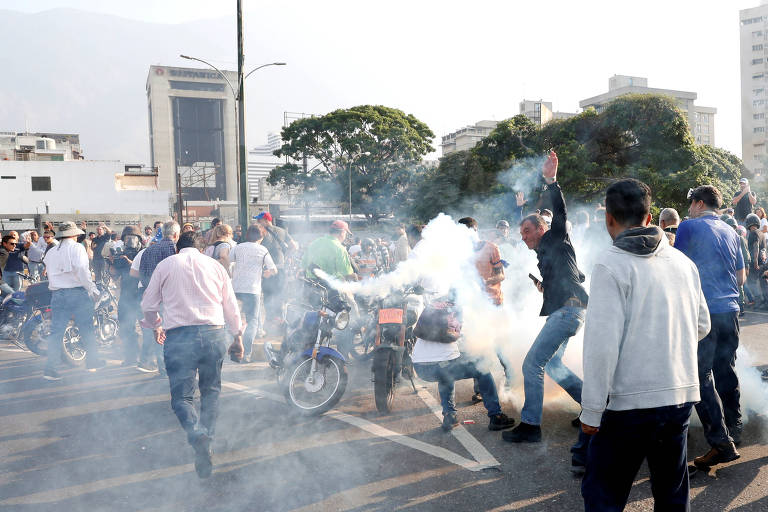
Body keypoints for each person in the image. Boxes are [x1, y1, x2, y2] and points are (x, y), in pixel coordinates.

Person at [579, 178, 710, 511]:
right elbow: (702, 325)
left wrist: (591, 410)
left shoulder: (610, 264)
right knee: (671, 493)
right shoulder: (683, 263)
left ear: (608, 218)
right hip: (679, 396)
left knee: (603, 495)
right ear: (650, 217)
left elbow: (601, 347)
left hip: (628, 404)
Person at [141, 231, 243, 479]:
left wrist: (155, 325)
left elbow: (148, 305)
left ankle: (197, 434)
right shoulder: (215, 266)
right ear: (203, 249)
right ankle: (207, 439)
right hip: (214, 334)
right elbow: (230, 305)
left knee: (182, 398)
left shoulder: (166, 265)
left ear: (177, 249)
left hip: (179, 337)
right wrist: (237, 336)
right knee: (211, 392)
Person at [504, 150, 589, 444]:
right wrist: (546, 287)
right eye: (521, 234)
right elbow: (574, 275)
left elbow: (560, 213)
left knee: (532, 364)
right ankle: (593, 408)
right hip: (567, 310)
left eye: (527, 231)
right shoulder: (545, 251)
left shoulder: (556, 237)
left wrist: (552, 181)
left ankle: (530, 426)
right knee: (553, 365)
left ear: (542, 229)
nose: (524, 237)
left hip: (568, 312)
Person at [675, 185, 744, 467]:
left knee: (700, 375)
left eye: (692, 203)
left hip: (704, 311)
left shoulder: (688, 227)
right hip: (731, 309)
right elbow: (741, 277)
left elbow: (676, 268)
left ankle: (720, 441)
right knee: (725, 368)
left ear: (700, 204)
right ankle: (735, 426)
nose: (690, 208)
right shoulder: (731, 231)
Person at [41, 221, 106, 380]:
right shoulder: (77, 248)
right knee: (86, 328)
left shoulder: (51, 252)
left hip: (57, 294)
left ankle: (51, 369)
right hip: (77, 293)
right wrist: (93, 290)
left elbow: (48, 270)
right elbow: (83, 271)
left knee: (56, 332)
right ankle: (92, 362)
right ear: (74, 234)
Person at [136, 221, 180, 373]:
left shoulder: (148, 250)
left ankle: (162, 367)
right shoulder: (175, 250)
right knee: (172, 332)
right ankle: (171, 367)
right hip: (170, 298)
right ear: (176, 234)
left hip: (151, 297)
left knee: (158, 332)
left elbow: (142, 275)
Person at [230, 224, 277, 362]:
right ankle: (246, 354)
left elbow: (228, 260)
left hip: (236, 288)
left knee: (235, 320)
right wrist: (268, 273)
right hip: (252, 290)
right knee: (252, 321)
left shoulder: (238, 247)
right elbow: (273, 269)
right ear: (261, 237)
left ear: (247, 235)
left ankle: (234, 352)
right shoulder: (263, 250)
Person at [256, 212, 297, 332]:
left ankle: (270, 323)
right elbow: (294, 246)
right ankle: (280, 324)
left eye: (259, 220)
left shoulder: (261, 231)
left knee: (268, 296)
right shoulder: (282, 231)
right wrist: (286, 256)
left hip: (267, 269)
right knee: (280, 296)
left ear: (265, 220)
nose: (257, 222)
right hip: (280, 268)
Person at [111, 227, 145, 366]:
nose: (130, 241)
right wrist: (112, 265)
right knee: (126, 327)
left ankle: (148, 359)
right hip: (126, 295)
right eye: (127, 238)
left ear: (139, 240)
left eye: (133, 238)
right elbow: (115, 276)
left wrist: (131, 263)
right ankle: (131, 357)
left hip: (142, 295)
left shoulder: (144, 253)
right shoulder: (121, 254)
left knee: (147, 328)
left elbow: (146, 272)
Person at [744, 213, 765, 308]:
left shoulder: (753, 233)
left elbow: (756, 246)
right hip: (763, 262)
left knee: (751, 282)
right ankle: (763, 300)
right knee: (761, 283)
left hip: (755, 263)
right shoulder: (761, 233)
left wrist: (755, 261)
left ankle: (758, 300)